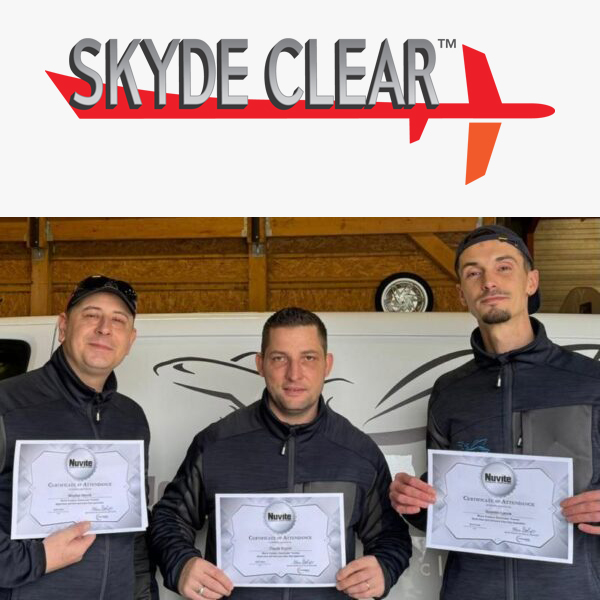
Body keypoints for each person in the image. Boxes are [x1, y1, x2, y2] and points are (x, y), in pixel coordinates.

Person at [389, 225, 600, 599]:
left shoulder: (590, 381)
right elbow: (443, 507)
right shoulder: (450, 392)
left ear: (531, 281)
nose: (489, 282)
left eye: (504, 267)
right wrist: (414, 503)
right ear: (462, 294)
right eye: (474, 273)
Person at [150, 307, 411, 600]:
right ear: (260, 364)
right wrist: (182, 564)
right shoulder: (215, 444)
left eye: (308, 358)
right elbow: (169, 518)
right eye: (279, 359)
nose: (294, 374)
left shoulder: (359, 452)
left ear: (327, 364)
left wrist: (384, 568)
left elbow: (392, 537)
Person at [0, 275, 157, 599]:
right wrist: (37, 559)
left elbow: (135, 533)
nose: (104, 328)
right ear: (63, 326)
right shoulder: (7, 404)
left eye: (118, 320)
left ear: (130, 340)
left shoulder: (131, 419)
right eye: (91, 315)